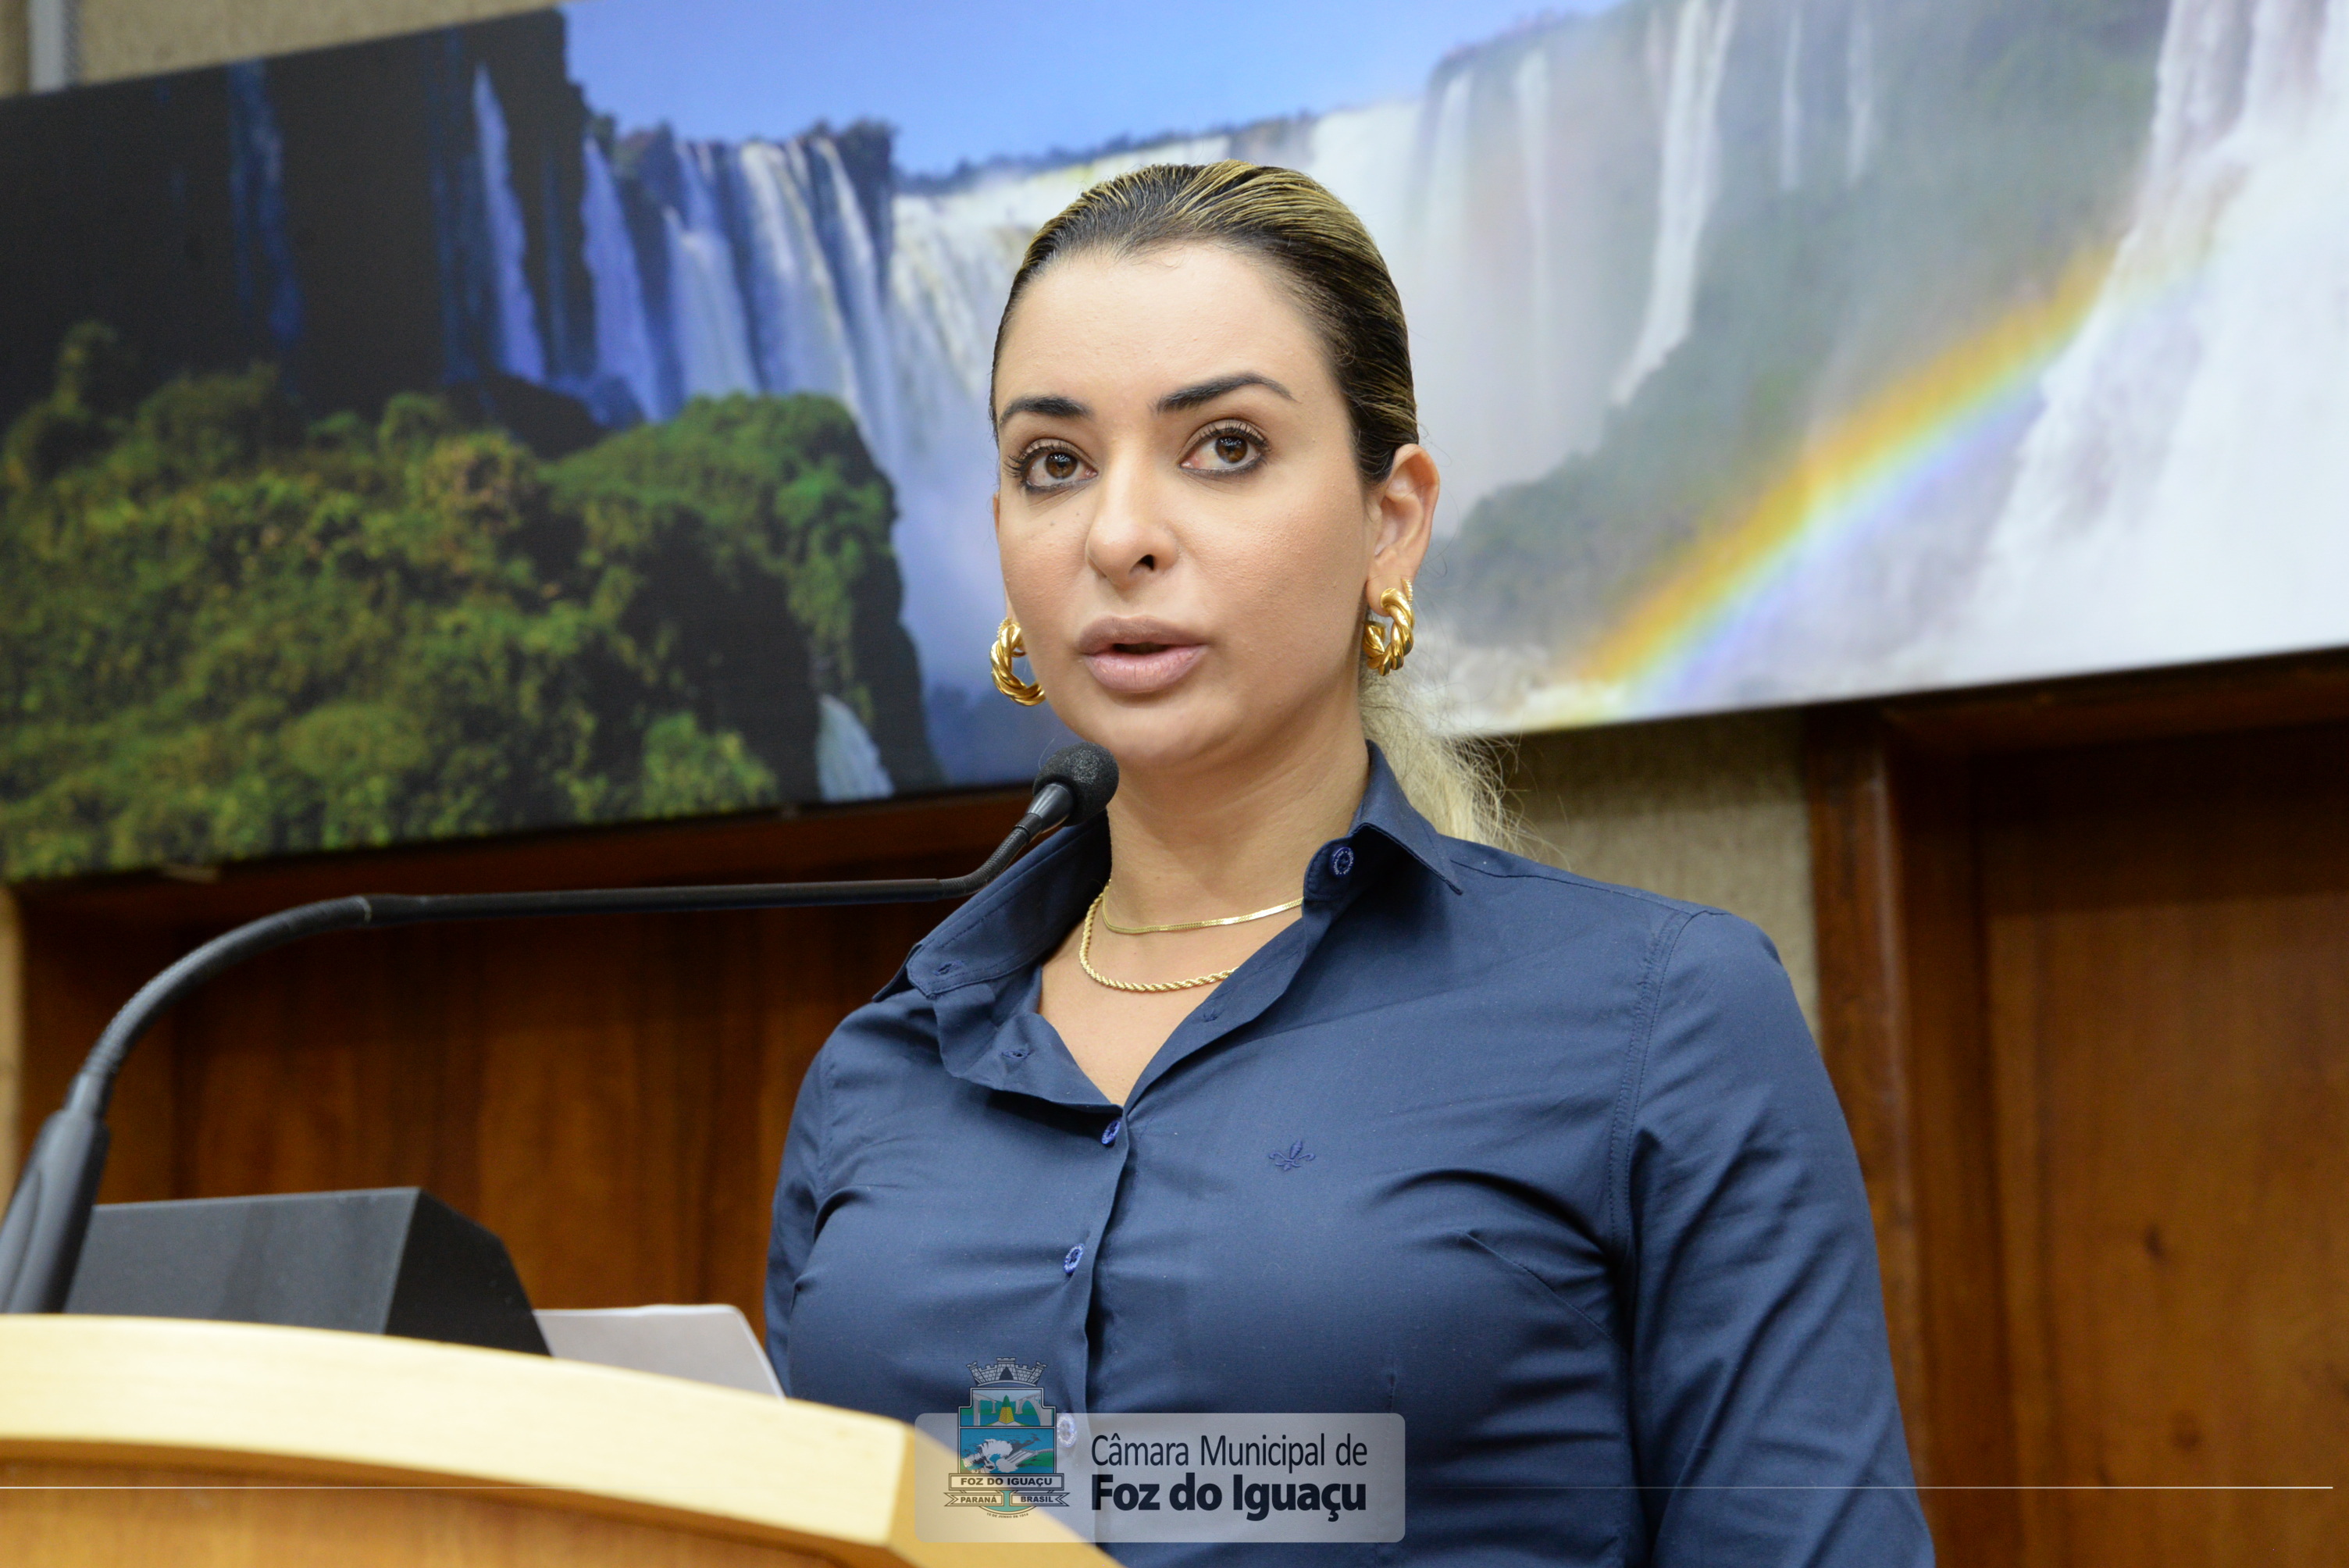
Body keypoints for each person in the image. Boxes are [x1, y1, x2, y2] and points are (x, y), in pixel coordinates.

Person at [768, 161, 1933, 1565]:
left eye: (1226, 448)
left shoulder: (1665, 1019)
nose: (1119, 534)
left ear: (1393, 521)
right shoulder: (877, 1076)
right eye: (1053, 464)